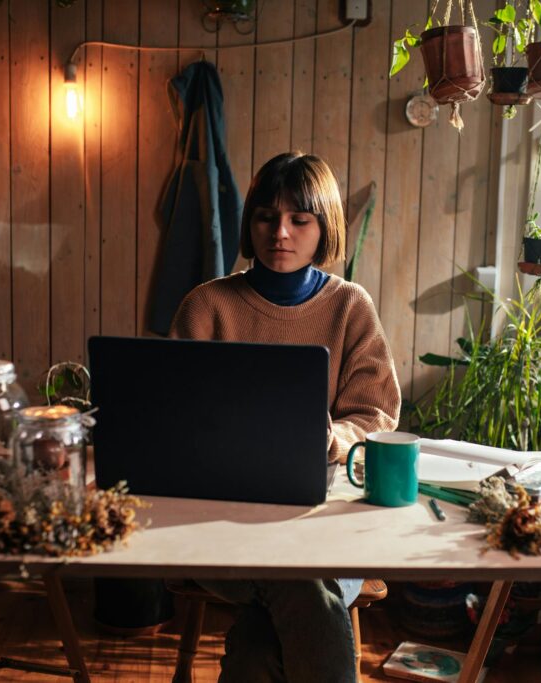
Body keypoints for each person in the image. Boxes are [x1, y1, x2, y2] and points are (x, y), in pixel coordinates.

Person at [170, 151, 400, 682]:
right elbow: (173, 413)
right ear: (250, 223)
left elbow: (376, 412)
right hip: (221, 522)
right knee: (301, 589)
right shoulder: (207, 306)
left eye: (300, 220)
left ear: (325, 228)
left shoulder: (350, 306)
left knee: (262, 639)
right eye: (266, 217)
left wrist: (334, 437)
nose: (281, 232)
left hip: (325, 520)